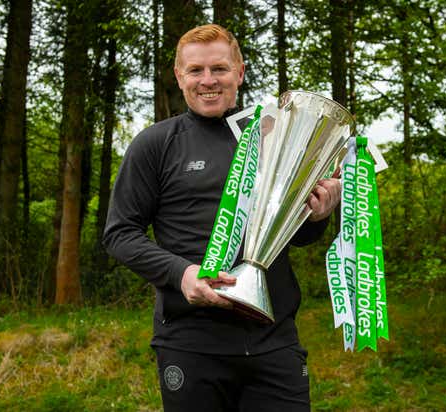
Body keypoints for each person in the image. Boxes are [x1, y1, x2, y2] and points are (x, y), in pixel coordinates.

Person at [103, 24, 341, 411]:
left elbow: (297, 238)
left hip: (273, 340)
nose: (208, 81)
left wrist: (318, 216)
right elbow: (119, 234)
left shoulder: (273, 138)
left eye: (220, 69)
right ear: (179, 77)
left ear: (240, 72)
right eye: (195, 70)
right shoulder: (155, 144)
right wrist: (182, 274)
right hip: (190, 343)